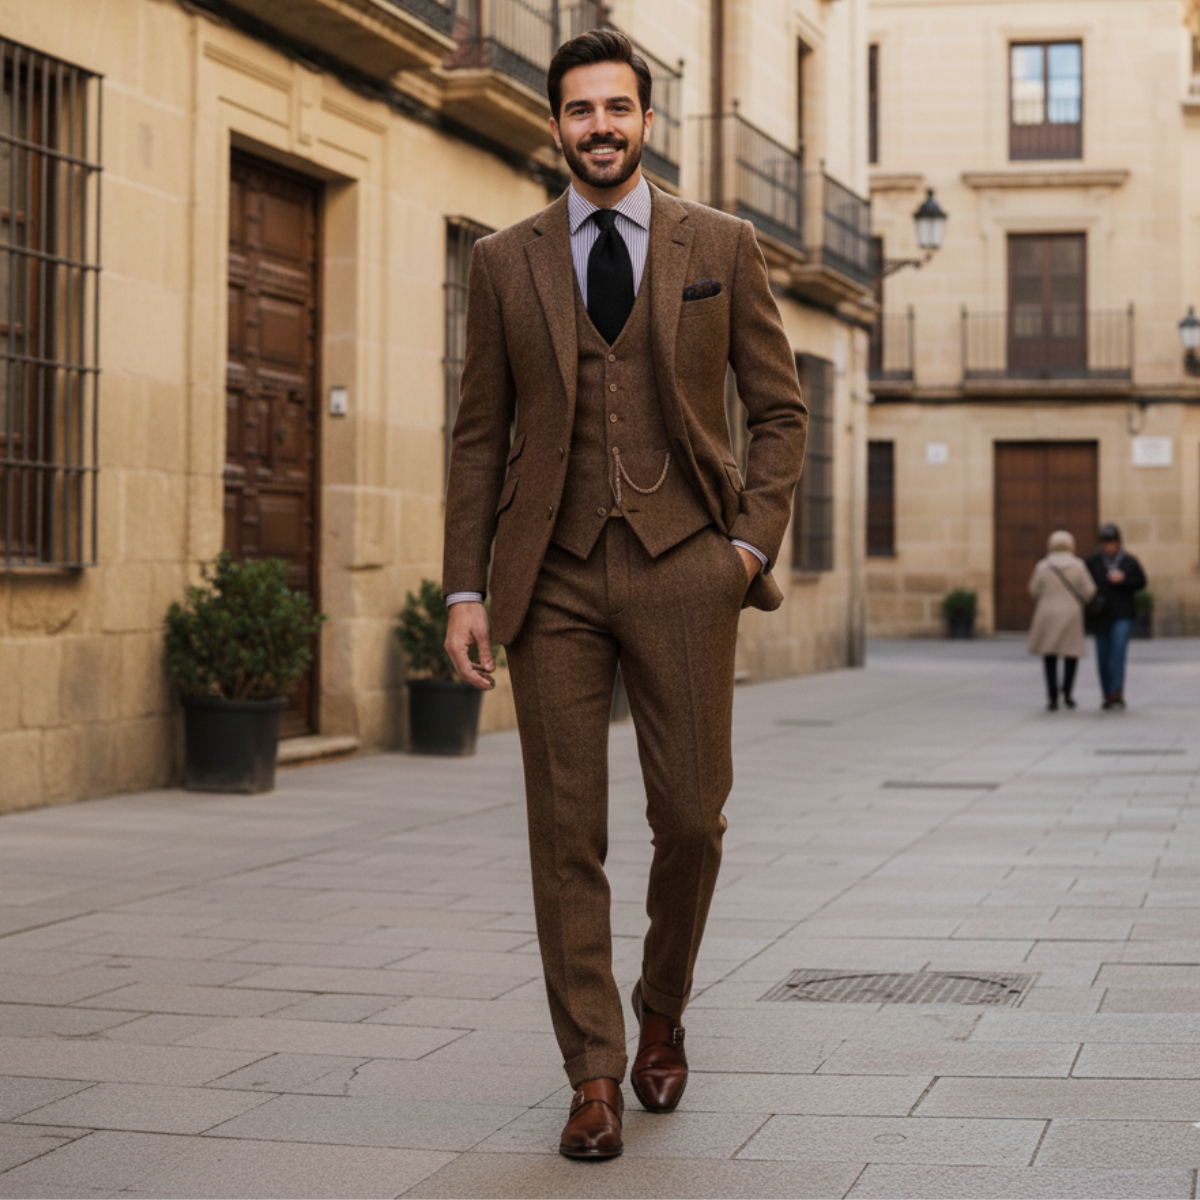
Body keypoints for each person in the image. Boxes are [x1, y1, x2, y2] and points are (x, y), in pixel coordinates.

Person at [440, 30, 807, 1161]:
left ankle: (662, 1004)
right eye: (578, 110)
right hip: (546, 578)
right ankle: (593, 1071)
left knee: (691, 819)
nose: (598, 126)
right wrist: (465, 589)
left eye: (617, 108)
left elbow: (781, 413)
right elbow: (478, 437)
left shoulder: (724, 245)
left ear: (648, 120)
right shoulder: (506, 261)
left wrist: (745, 552)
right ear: (554, 125)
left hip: (686, 563)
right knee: (565, 833)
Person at [1027, 530, 1095, 711]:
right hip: (1071, 614)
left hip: (1047, 614)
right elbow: (1089, 590)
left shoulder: (1043, 566)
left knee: (1049, 656)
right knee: (1070, 655)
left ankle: (1052, 696)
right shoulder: (1078, 565)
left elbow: (1034, 590)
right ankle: (1068, 693)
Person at [1085, 522, 1147, 710]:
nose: (1109, 546)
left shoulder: (1129, 561)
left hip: (1122, 614)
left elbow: (1141, 581)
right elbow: (1084, 584)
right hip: (1100, 615)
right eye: (1106, 543)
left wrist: (1124, 580)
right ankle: (1106, 693)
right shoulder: (1092, 561)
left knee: (1118, 652)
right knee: (1103, 655)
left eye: (1112, 542)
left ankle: (1117, 692)